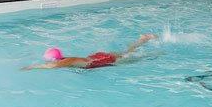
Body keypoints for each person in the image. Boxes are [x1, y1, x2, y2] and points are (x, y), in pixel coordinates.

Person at [20, 34, 158, 71]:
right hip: (98, 58)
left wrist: (29, 67)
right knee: (127, 53)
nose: (46, 61)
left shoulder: (66, 61)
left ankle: (153, 51)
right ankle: (142, 40)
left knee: (134, 58)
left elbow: (52, 66)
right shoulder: (66, 60)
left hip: (103, 60)